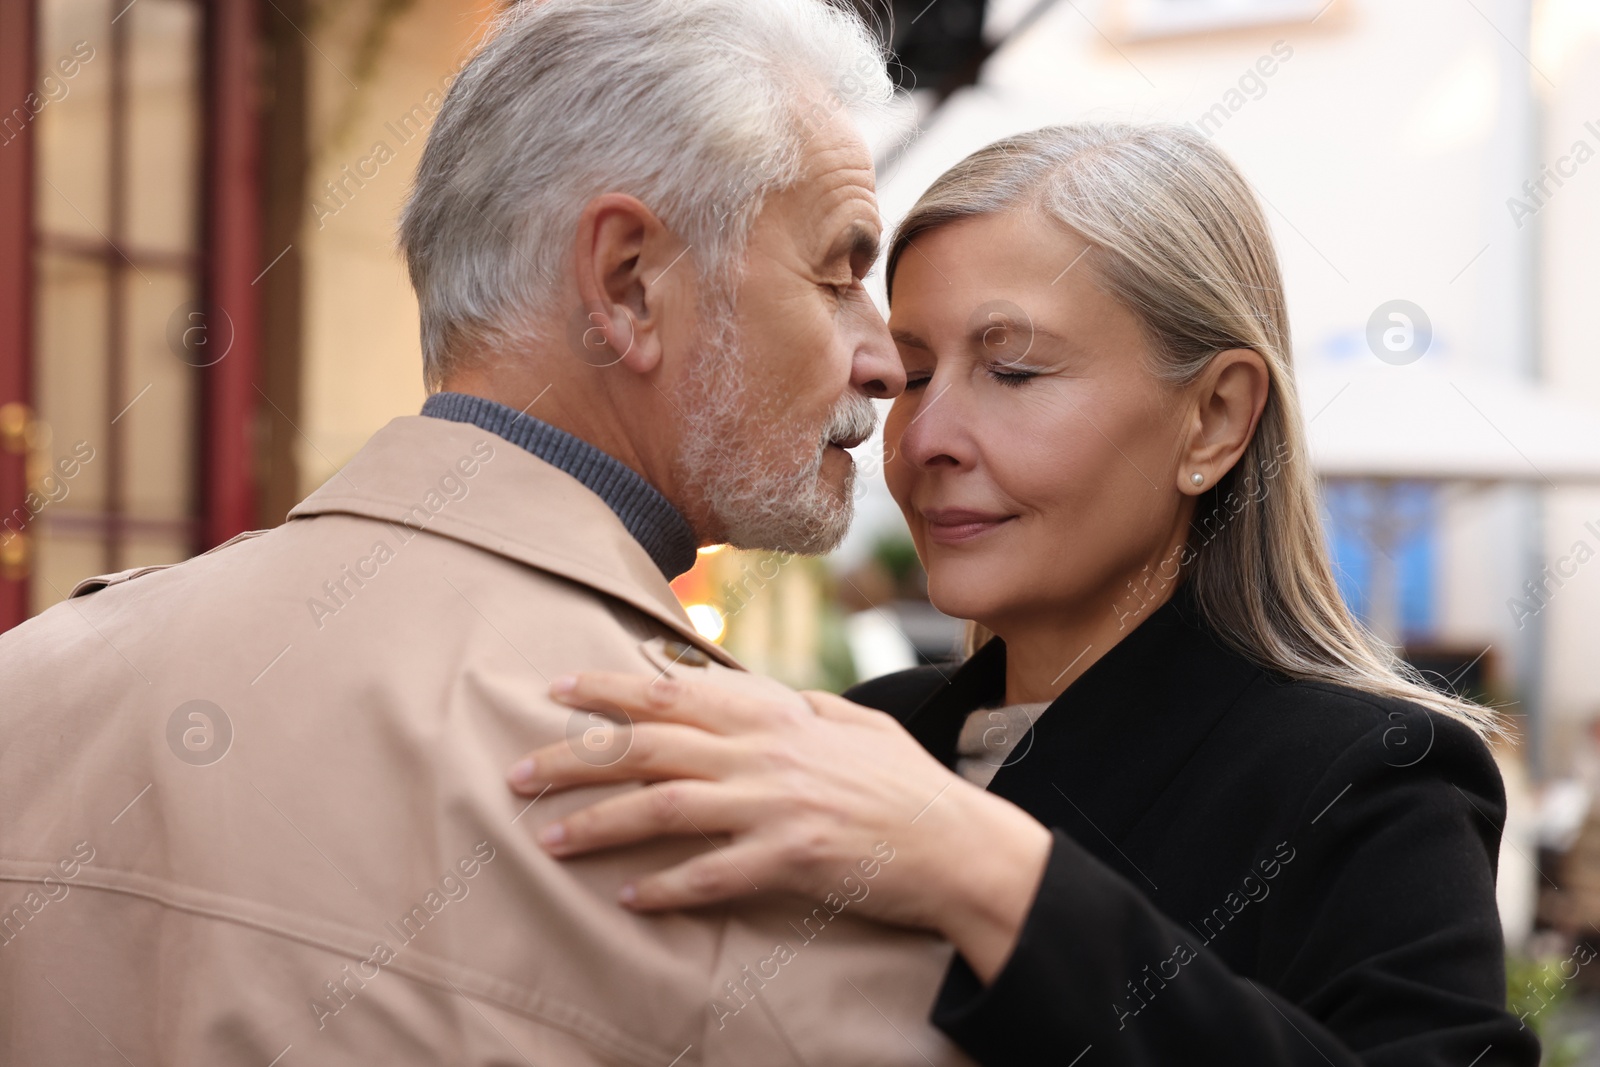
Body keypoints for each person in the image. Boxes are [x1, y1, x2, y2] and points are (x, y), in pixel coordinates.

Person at [0, 2, 977, 1063]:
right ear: (628, 281)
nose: (882, 360)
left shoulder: (39, 676)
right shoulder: (717, 798)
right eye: (838, 273)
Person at [505, 123, 1541, 1066]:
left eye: (1013, 370)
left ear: (1214, 419)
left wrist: (991, 870)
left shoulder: (1366, 778)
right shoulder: (864, 736)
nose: (925, 439)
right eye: (909, 375)